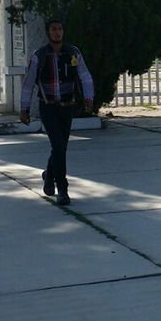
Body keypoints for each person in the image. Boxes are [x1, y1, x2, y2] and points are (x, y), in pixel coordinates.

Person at [20, 19, 94, 206]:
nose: (57, 33)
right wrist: (24, 108)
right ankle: (63, 189)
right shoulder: (39, 56)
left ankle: (48, 174)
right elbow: (28, 83)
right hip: (48, 107)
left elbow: (84, 76)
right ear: (48, 32)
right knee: (59, 147)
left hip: (67, 106)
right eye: (53, 29)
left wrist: (88, 98)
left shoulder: (73, 53)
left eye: (60, 29)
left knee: (61, 147)